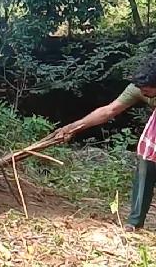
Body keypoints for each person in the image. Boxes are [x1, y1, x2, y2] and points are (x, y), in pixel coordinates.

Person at [57, 57, 156, 231]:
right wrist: (72, 128)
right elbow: (109, 111)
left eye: (148, 90)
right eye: (142, 90)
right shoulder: (139, 88)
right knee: (145, 162)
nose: (143, 93)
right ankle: (135, 222)